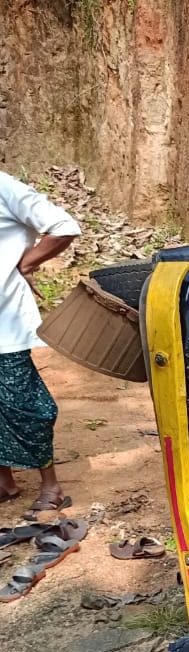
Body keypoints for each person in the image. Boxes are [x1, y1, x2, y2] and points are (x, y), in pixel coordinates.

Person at [0, 171, 81, 511]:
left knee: (25, 404)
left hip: (5, 322)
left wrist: (27, 262)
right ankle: (4, 482)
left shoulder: (5, 188)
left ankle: (51, 485)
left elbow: (64, 225)